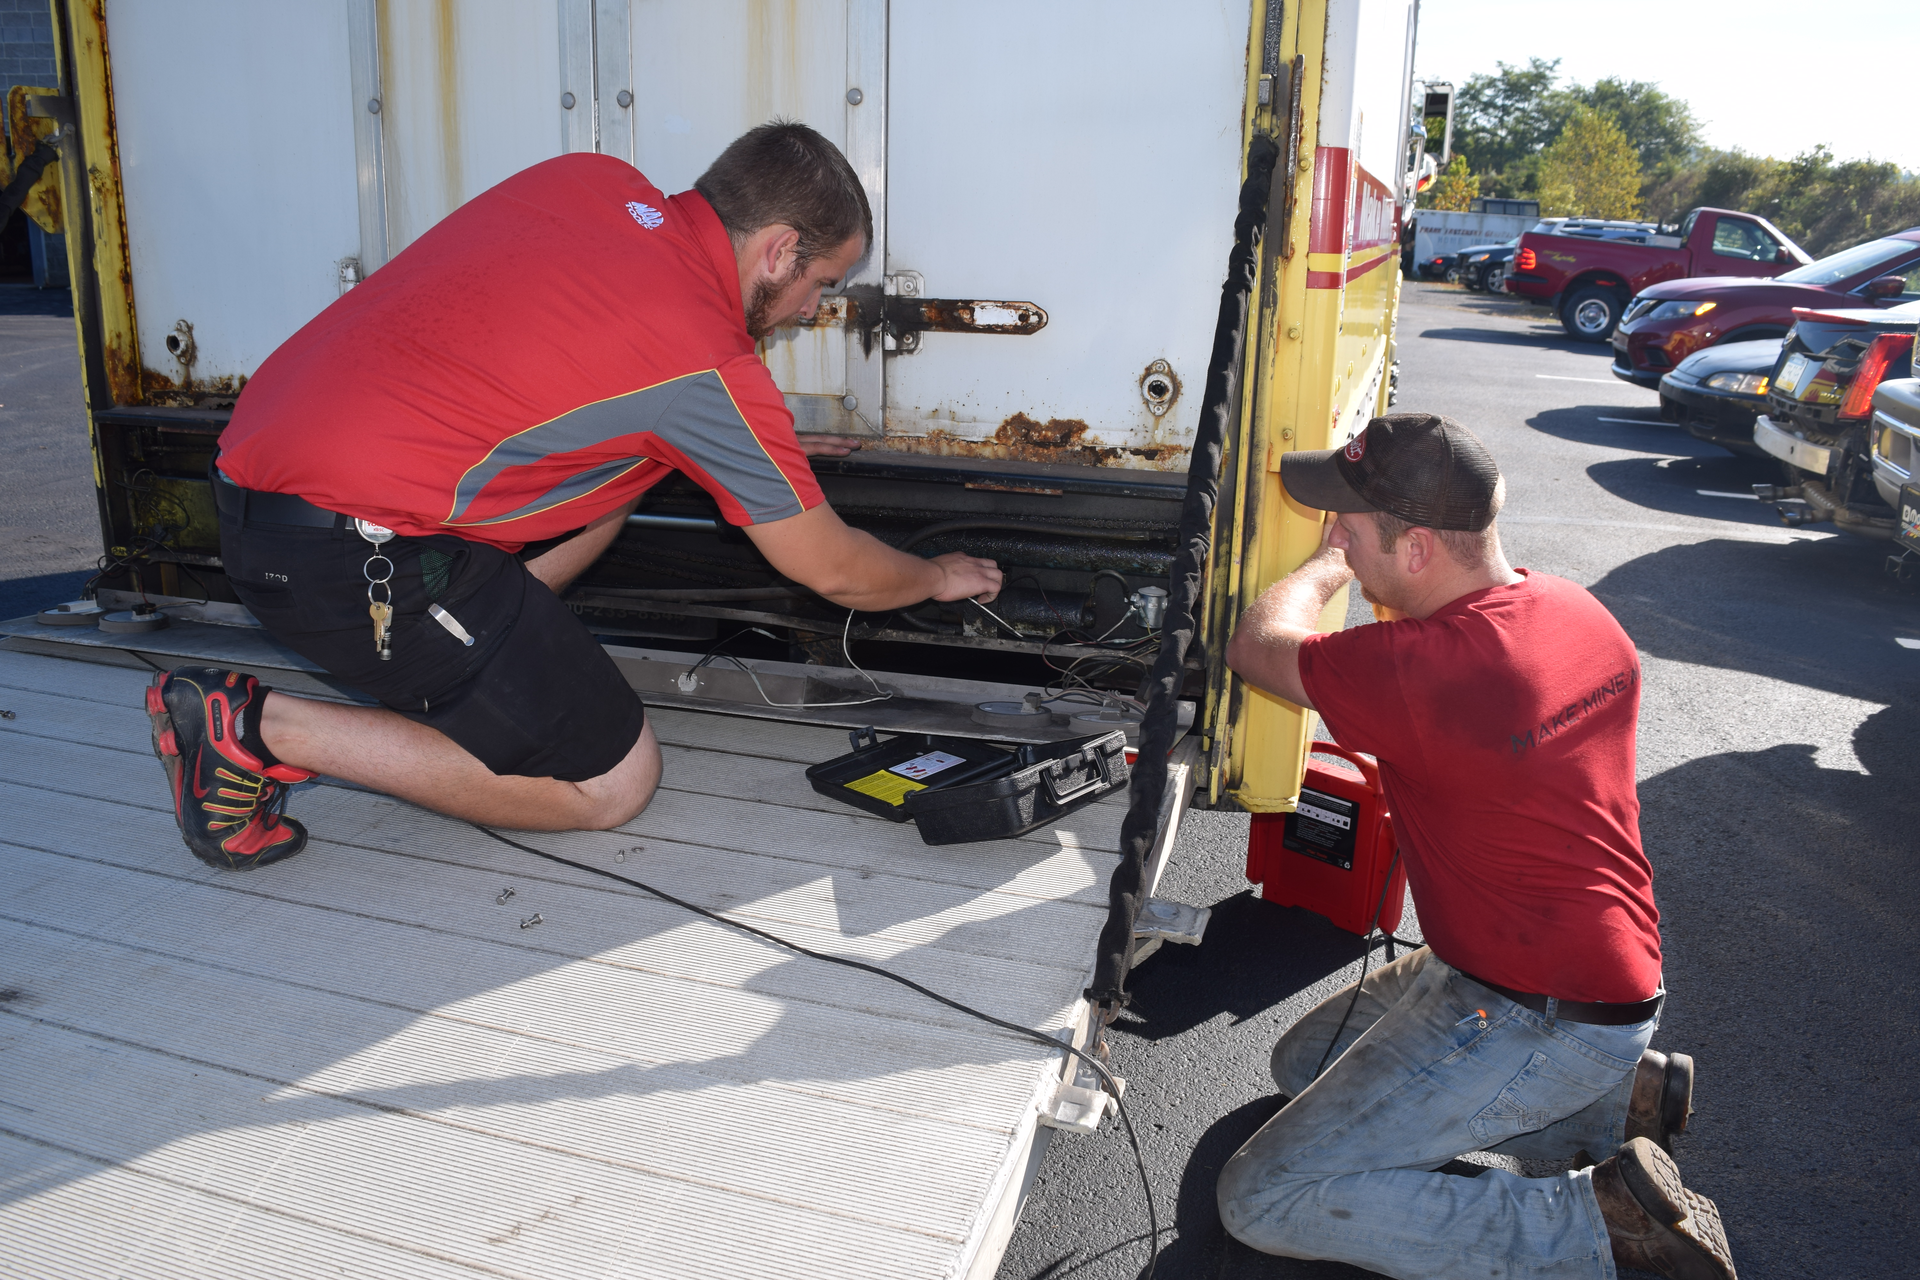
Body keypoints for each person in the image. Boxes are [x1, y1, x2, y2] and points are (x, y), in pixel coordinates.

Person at [143, 122, 1001, 870]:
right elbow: (836, 570)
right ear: (779, 250)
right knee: (613, 781)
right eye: (822, 285)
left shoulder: (589, 180)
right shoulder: (703, 362)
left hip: (252, 488)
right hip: (349, 559)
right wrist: (935, 577)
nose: (810, 310)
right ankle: (252, 730)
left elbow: (550, 366)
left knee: (630, 468)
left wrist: (746, 455)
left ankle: (454, 669)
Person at [1214, 412, 1736, 1280]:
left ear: (1418, 548)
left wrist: (1324, 570)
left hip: (1534, 1012)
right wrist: (1360, 554)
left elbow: (1257, 646)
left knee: (1262, 1196)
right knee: (1300, 1063)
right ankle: (1618, 1104)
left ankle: (1598, 1224)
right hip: (1574, 972)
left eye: (1349, 525)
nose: (1336, 534)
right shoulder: (1574, 610)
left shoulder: (1424, 669)